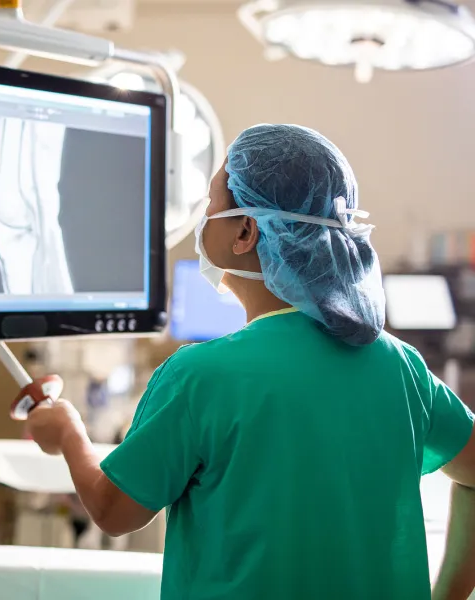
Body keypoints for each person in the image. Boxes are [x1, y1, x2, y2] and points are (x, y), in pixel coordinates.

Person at [25, 124, 475, 600]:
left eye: (212, 203)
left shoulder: (200, 376)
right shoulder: (401, 367)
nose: (204, 217)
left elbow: (115, 513)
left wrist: (69, 435)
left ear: (245, 231)